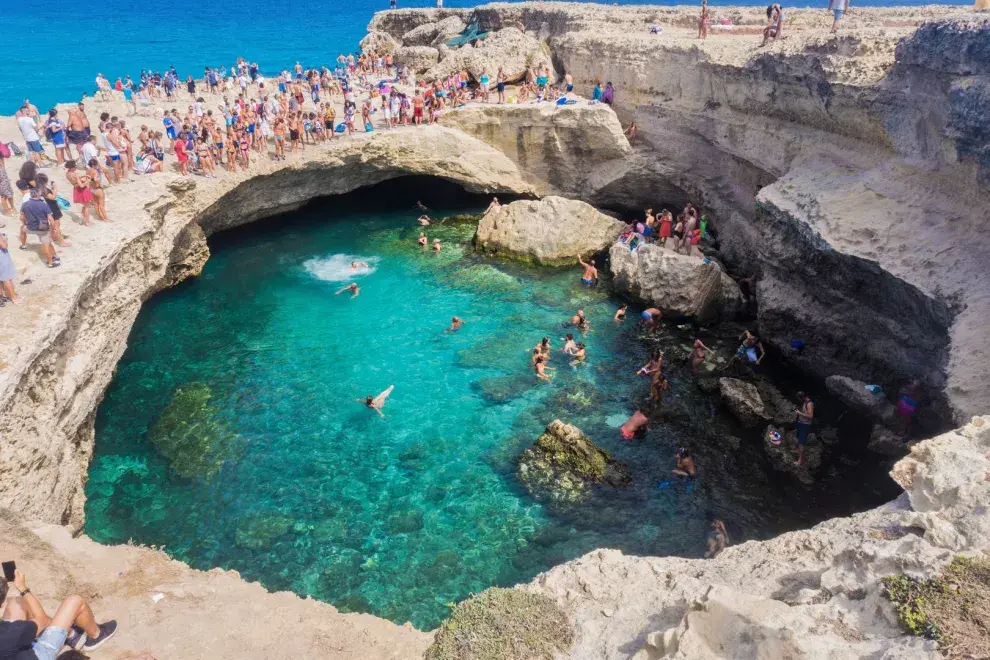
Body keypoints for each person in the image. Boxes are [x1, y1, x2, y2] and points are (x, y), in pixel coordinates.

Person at [0, 569, 118, 657]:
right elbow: (43, 619)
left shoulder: (10, 632)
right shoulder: (12, 632)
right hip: (39, 654)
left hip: (11, 651)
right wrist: (22, 587)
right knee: (75, 601)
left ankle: (71, 635)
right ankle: (96, 636)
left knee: (16, 602)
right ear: (2, 606)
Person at [20, 188, 59, 267]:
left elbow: (21, 217)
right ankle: (50, 262)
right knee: (47, 245)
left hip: (30, 228)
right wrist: (54, 228)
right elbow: (51, 219)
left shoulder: (25, 204)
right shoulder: (44, 205)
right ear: (38, 195)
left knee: (22, 230)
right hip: (43, 230)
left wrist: (25, 223)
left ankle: (23, 245)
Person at [794, 392, 814, 466]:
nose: (799, 401)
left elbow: (811, 416)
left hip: (804, 426)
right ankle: (799, 452)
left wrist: (799, 413)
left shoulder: (809, 404)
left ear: (803, 397)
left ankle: (800, 461)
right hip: (801, 423)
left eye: (799, 399)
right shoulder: (805, 402)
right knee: (799, 440)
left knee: (801, 443)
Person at [0, 229, 19, 303]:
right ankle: (14, 297)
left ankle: (1, 297)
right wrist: (5, 240)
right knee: (6, 278)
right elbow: (3, 245)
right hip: (1, 257)